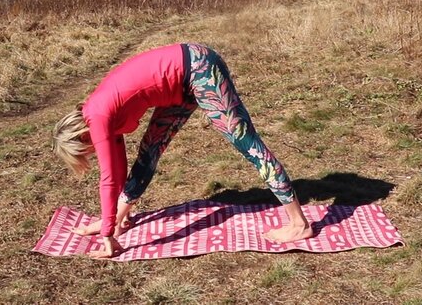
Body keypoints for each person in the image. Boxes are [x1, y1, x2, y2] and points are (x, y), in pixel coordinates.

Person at [52, 43, 313, 258]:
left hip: (200, 69)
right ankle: (120, 217)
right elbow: (118, 169)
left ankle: (299, 225)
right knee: (149, 152)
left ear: (80, 138)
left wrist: (107, 235)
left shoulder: (96, 116)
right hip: (178, 86)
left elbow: (107, 179)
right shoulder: (99, 115)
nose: (91, 154)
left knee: (247, 143)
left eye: (84, 153)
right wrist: (111, 220)